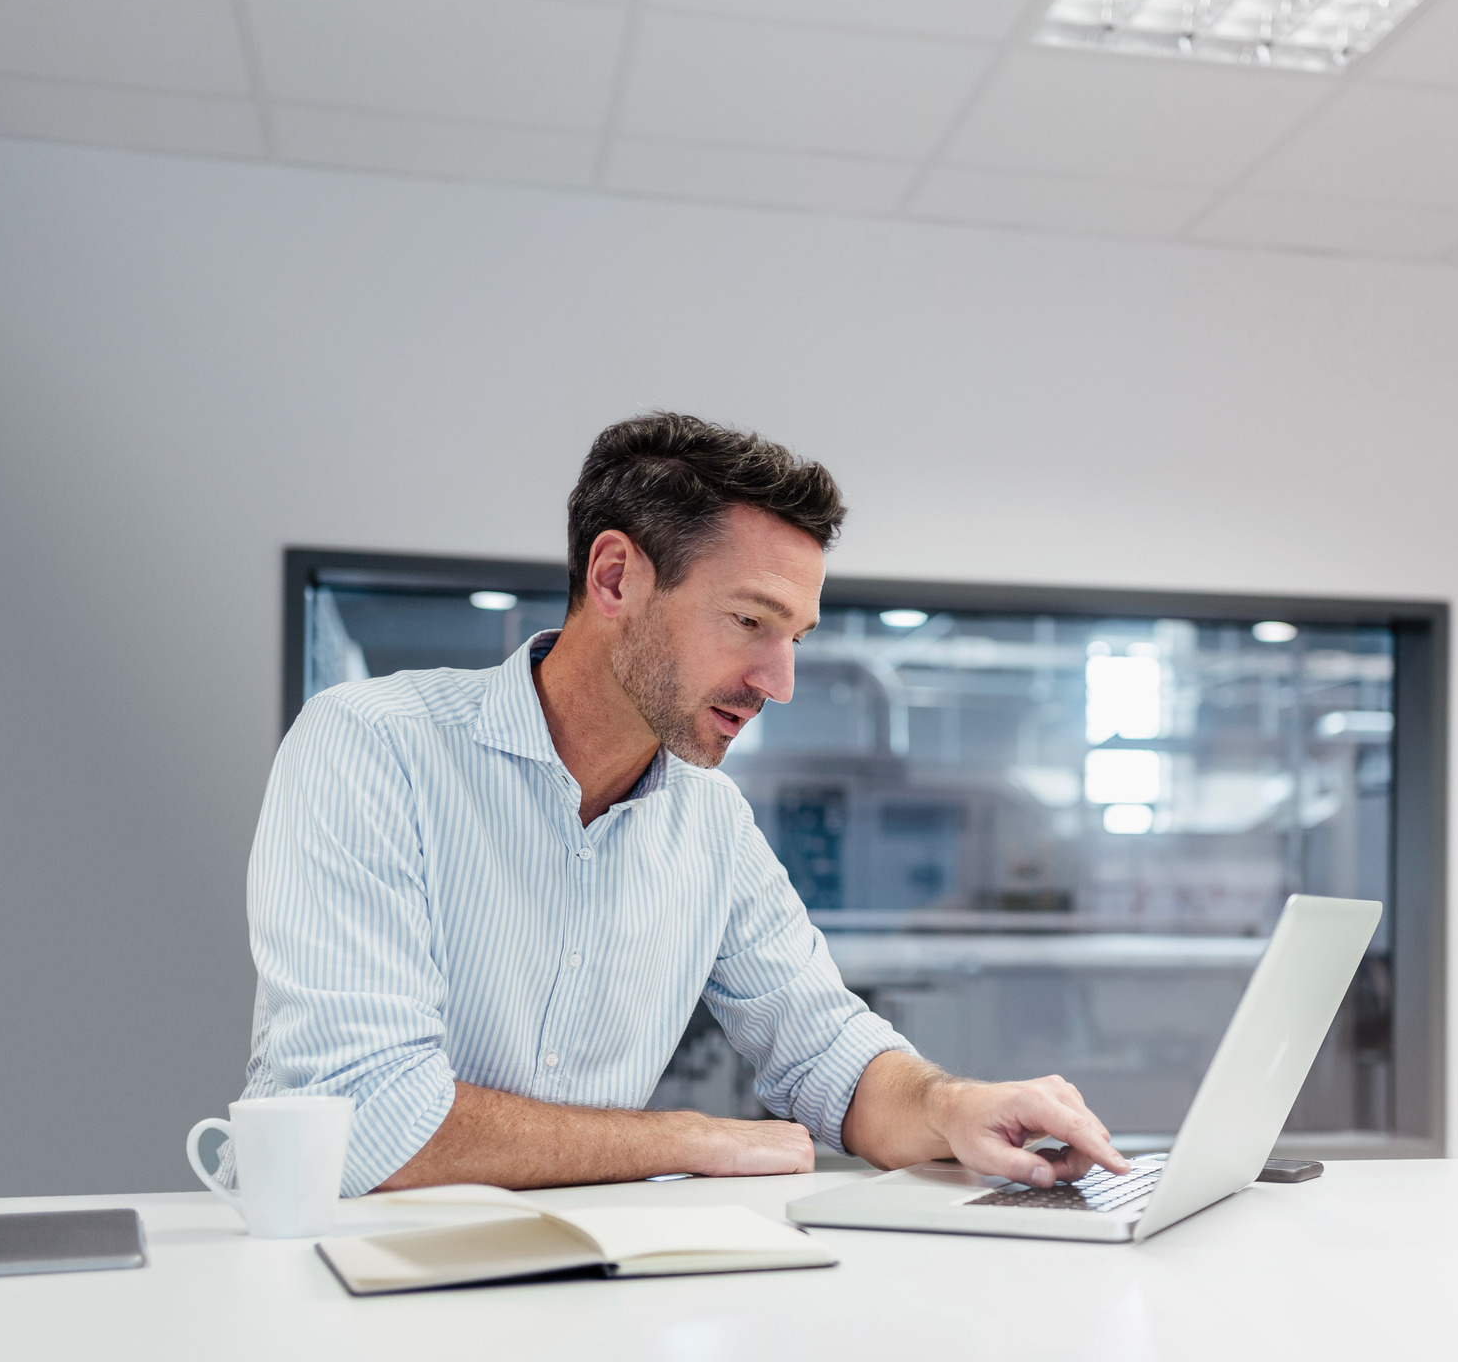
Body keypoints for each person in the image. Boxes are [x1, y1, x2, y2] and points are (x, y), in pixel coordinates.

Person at [243, 412, 1130, 1197]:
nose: (779, 683)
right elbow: (364, 1113)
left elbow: (827, 1052)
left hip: (581, 1278)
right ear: (617, 578)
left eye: (795, 638)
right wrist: (686, 1139)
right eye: (750, 621)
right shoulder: (373, 746)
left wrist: (953, 1106)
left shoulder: (709, 821)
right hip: (359, 1293)